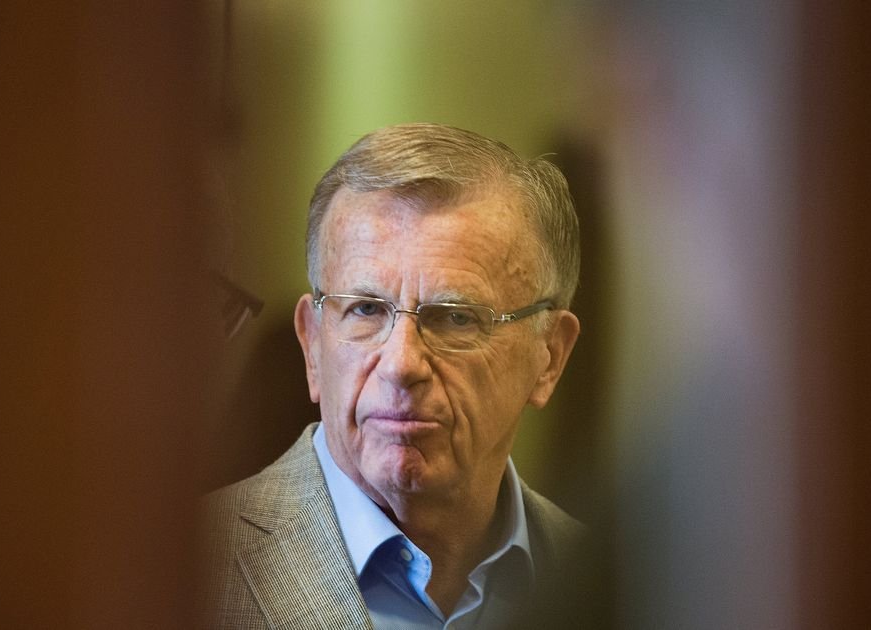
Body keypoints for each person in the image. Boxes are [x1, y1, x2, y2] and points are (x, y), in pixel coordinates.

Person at [201, 123, 586, 629]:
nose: (402, 365)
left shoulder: (633, 592)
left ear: (549, 356)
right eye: (365, 310)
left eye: (455, 318)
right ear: (312, 345)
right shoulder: (180, 573)